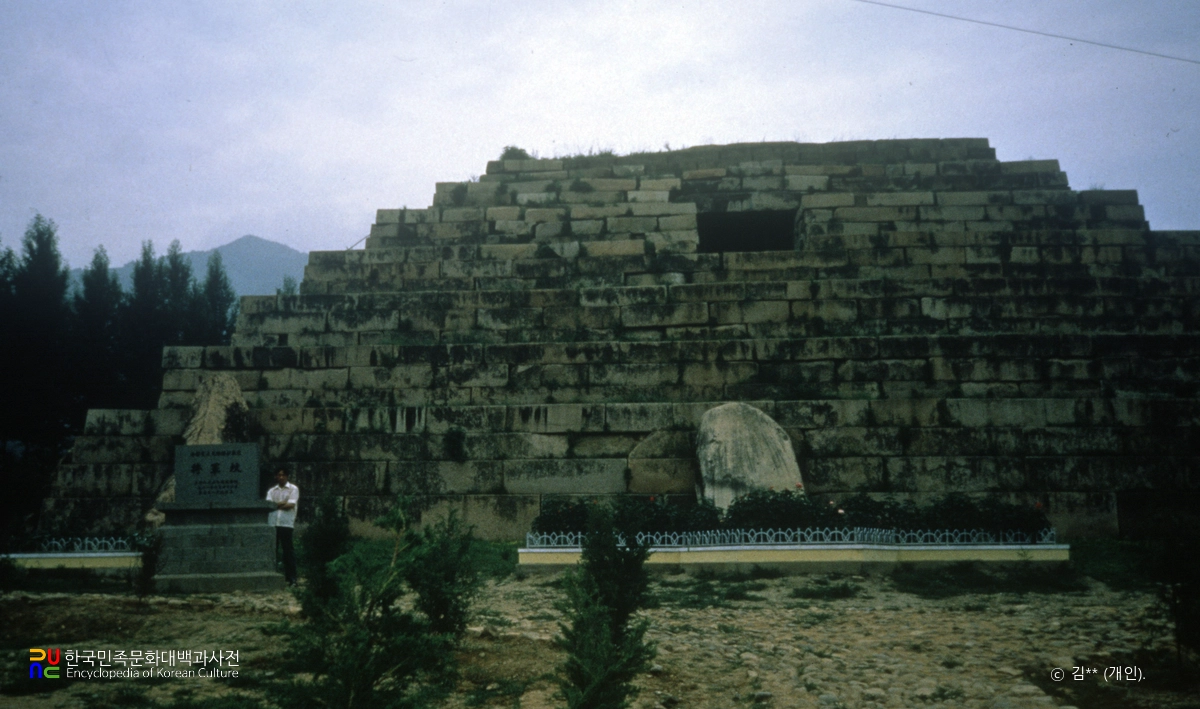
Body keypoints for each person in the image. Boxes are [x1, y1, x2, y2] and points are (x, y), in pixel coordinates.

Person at [267, 468, 299, 586]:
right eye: (279, 475)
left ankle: (292, 579)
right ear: (276, 477)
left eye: (283, 475)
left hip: (286, 524)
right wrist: (282, 503)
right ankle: (271, 577)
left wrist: (276, 505)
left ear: (287, 476)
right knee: (272, 551)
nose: (281, 477)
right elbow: (268, 505)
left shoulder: (293, 489)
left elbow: (291, 504)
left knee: (288, 552)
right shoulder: (271, 491)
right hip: (273, 523)